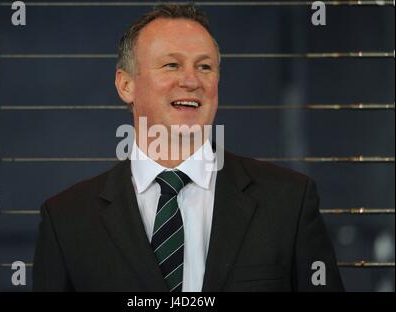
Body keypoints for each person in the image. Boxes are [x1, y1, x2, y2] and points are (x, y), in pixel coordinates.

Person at [33, 4, 344, 292]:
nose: (192, 80)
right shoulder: (66, 219)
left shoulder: (289, 201)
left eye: (205, 67)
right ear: (125, 85)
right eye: (171, 65)